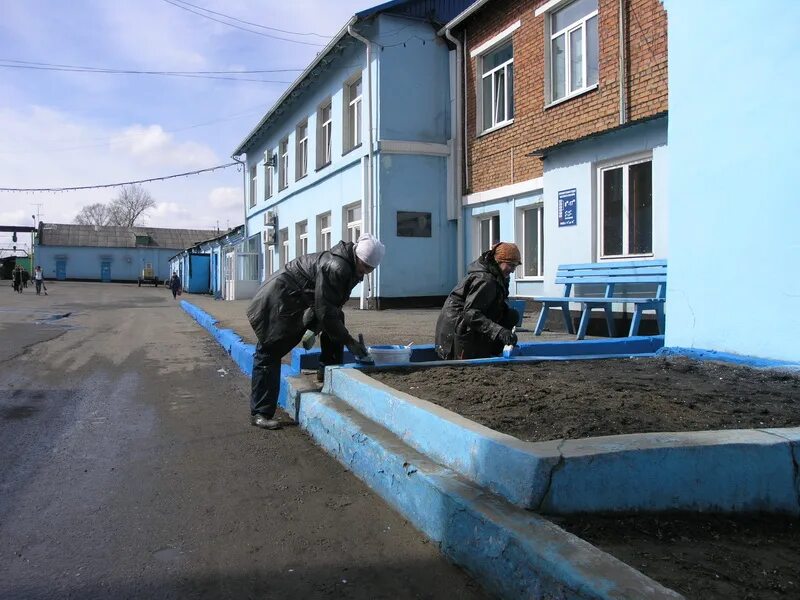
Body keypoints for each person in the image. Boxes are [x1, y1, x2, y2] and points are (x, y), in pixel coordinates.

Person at [246, 232, 385, 430]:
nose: (366, 272)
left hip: (299, 298)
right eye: (365, 266)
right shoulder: (337, 266)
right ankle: (260, 413)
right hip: (279, 299)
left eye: (371, 269)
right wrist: (349, 342)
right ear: (357, 257)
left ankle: (326, 371)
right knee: (268, 352)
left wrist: (320, 326)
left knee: (337, 320)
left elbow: (332, 306)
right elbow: (326, 311)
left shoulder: (351, 265)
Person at [435, 242, 521, 360]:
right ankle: (470, 352)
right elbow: (470, 314)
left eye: (515, 266)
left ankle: (493, 350)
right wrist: (499, 331)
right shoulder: (486, 280)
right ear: (498, 261)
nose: (512, 270)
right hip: (455, 328)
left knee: (511, 315)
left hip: (466, 320)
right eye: (510, 265)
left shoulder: (498, 276)